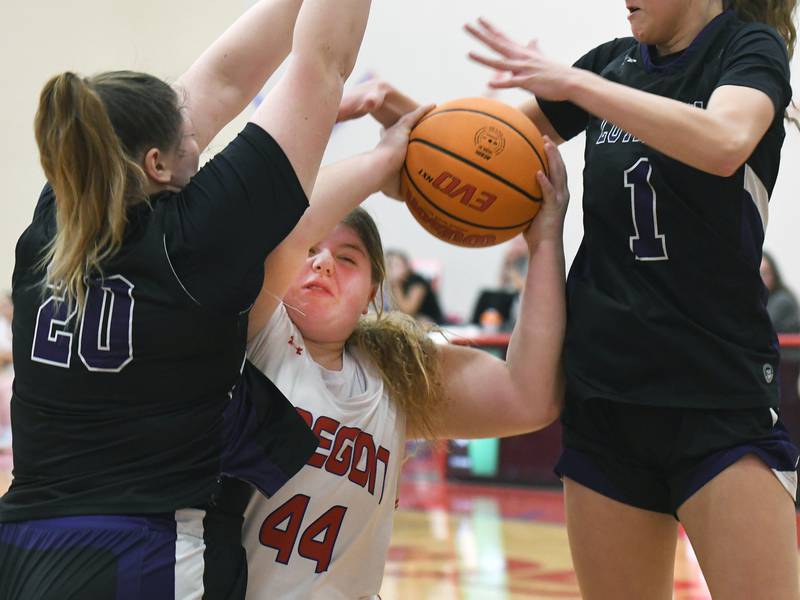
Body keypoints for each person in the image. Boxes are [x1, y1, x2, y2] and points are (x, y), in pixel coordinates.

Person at [340, 1, 800, 597]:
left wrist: (578, 85)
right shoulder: (610, 66)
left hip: (717, 395)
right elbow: (482, 155)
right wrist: (393, 109)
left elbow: (725, 139)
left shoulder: (746, 51)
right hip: (605, 397)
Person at [0, 0, 373, 597]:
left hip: (23, 547)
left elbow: (220, 81)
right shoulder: (197, 242)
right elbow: (325, 60)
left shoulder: (54, 217)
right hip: (142, 552)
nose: (200, 143)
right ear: (156, 163)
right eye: (191, 140)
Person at [234, 108, 568, 598]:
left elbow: (529, 397)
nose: (323, 263)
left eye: (347, 258)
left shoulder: (392, 373)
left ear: (373, 291)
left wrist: (544, 242)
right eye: (310, 251)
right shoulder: (250, 332)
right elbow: (281, 224)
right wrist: (379, 163)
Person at [384, 249, 446, 324]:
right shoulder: (386, 284)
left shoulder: (418, 282)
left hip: (434, 323)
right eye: (389, 266)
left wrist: (396, 285)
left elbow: (408, 311)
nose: (392, 270)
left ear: (406, 266)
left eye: (396, 265)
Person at [762, 251, 800, 333]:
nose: (761, 278)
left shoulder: (783, 300)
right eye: (758, 273)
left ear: (774, 274)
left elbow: (759, 325)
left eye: (764, 273)